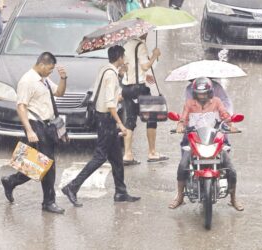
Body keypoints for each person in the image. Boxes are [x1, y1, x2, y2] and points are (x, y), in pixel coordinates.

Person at [62, 45, 140, 207]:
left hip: (102, 117)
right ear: (119, 57)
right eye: (123, 56)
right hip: (107, 119)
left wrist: (121, 75)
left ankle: (121, 192)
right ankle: (72, 186)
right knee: (100, 157)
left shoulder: (105, 69)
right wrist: (121, 125)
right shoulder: (110, 74)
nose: (125, 59)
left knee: (116, 158)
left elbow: (109, 95)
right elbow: (110, 103)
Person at [1, 52, 67, 214]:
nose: (50, 72)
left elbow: (59, 93)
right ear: (42, 65)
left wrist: (63, 78)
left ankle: (10, 181)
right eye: (50, 69)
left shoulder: (43, 79)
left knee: (35, 163)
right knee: (47, 164)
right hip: (35, 125)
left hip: (46, 125)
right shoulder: (27, 81)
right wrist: (29, 130)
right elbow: (21, 106)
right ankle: (48, 202)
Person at [168, 77, 244, 211]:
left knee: (231, 170)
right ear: (194, 93)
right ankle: (180, 197)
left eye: (203, 93)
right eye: (198, 93)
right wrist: (180, 125)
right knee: (182, 166)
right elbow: (183, 118)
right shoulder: (189, 104)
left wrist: (230, 125)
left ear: (209, 92)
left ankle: (233, 199)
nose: (201, 96)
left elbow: (224, 115)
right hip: (195, 141)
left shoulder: (217, 102)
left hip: (213, 140)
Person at [122, 34, 168, 166]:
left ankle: (128, 154)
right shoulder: (140, 45)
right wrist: (154, 55)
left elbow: (130, 67)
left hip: (126, 87)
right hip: (139, 88)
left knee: (130, 120)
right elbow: (145, 66)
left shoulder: (126, 45)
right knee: (151, 117)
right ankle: (152, 152)